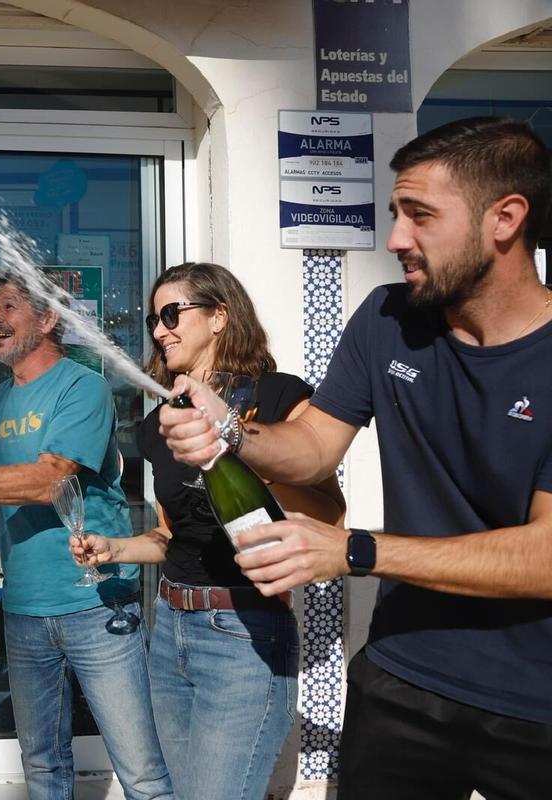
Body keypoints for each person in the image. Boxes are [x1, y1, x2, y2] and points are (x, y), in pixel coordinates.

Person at [158, 116, 552, 798]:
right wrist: (232, 434)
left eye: (420, 216)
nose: (397, 238)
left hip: (537, 701)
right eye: (395, 213)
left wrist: (354, 551)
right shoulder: (386, 317)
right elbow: (312, 450)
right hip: (401, 677)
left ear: (506, 218)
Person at [72, 262, 345, 800]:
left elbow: (331, 516)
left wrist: (233, 445)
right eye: (154, 318)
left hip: (243, 632)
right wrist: (114, 548)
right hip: (171, 624)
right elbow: (175, 538)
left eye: (172, 314)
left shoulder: (279, 396)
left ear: (220, 316)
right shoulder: (159, 425)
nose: (158, 330)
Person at [0, 273, 170, 800]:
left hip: (96, 603)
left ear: (47, 320)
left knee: (140, 771)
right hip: (22, 607)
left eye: (9, 306)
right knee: (42, 766)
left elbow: (52, 479)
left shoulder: (81, 385)